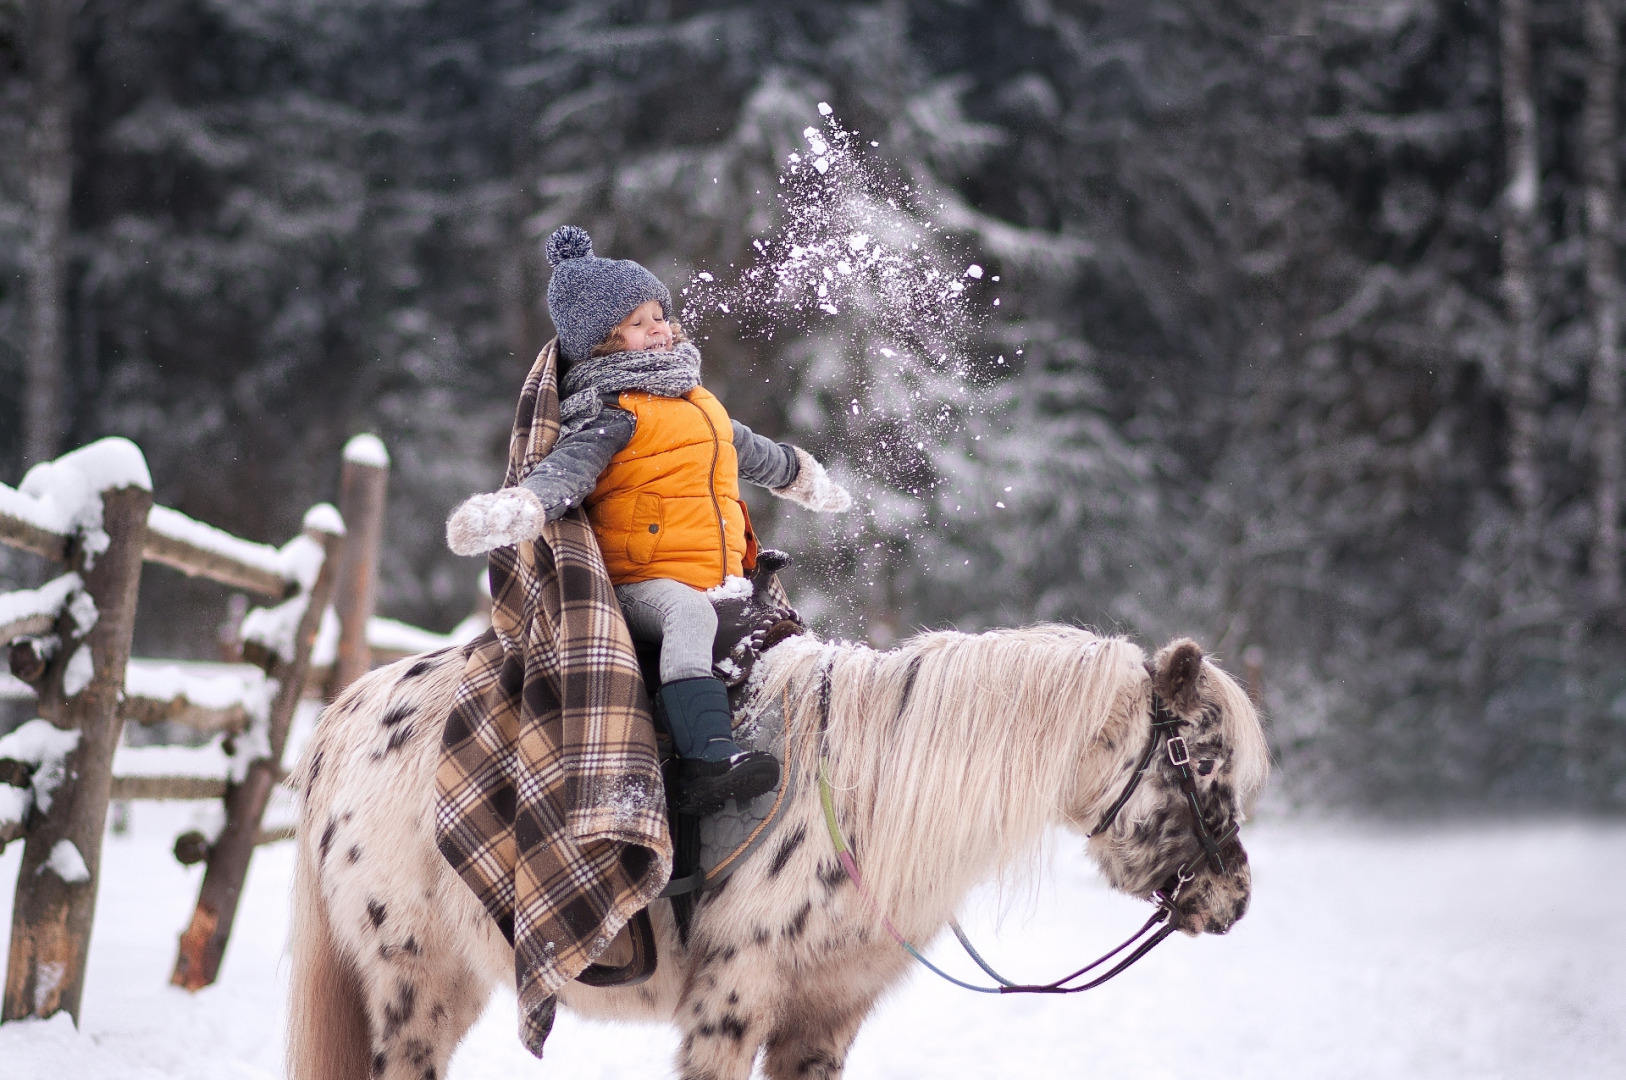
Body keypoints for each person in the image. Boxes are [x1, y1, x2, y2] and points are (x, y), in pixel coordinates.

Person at [448, 225, 850, 811]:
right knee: (688, 616)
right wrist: (520, 506)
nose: (660, 327)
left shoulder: (698, 402)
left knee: (777, 625)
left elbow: (751, 450)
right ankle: (705, 756)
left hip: (716, 572)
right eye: (639, 322)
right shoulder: (612, 413)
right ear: (604, 342)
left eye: (660, 314)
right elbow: (569, 469)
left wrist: (801, 477)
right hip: (641, 584)